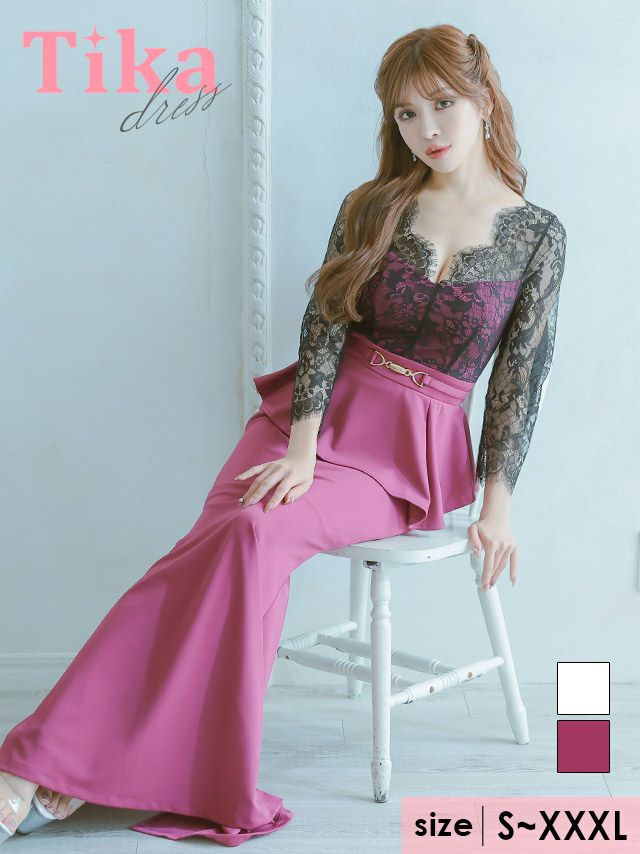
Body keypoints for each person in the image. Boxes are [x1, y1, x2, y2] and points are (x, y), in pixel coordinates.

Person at [0, 23, 566, 847]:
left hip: (401, 458)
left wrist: (497, 506)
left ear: (484, 98)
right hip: (309, 419)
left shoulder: (538, 234)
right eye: (406, 114)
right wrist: (301, 448)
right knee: (223, 542)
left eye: (442, 104)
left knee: (251, 533)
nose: (427, 129)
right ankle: (67, 765)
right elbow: (326, 325)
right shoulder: (373, 206)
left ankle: (51, 763)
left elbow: (520, 377)